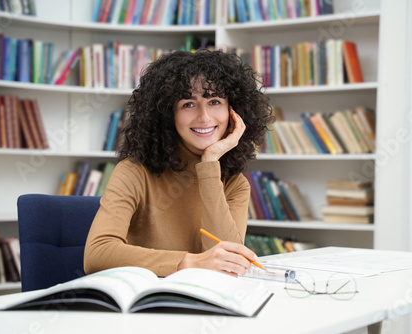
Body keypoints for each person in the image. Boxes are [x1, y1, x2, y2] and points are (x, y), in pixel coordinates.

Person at [84, 50, 273, 278]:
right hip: (145, 303)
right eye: (188, 104)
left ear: (235, 113)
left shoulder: (234, 184)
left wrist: (210, 164)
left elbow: (228, 264)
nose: (204, 117)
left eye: (214, 102)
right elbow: (97, 254)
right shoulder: (133, 172)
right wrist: (190, 261)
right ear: (167, 114)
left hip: (203, 302)